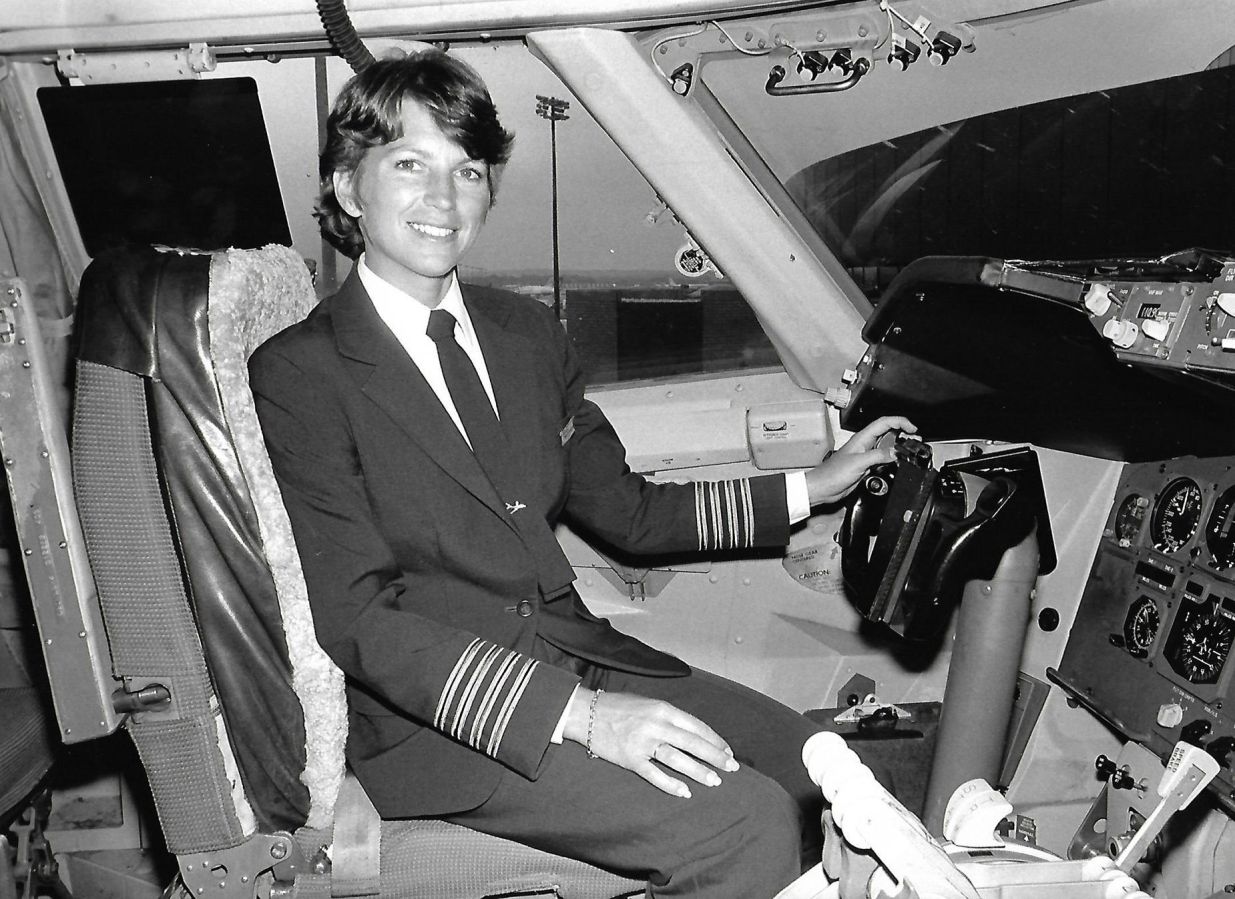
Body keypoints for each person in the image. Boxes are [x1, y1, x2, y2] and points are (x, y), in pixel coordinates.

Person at [250, 48, 914, 898]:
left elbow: (629, 513)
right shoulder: (302, 373)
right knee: (742, 823)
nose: (445, 199)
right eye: (409, 165)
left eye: (468, 171)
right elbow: (360, 619)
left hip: (575, 651)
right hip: (445, 718)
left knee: (823, 770)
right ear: (349, 188)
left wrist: (813, 486)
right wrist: (585, 718)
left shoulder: (526, 335)